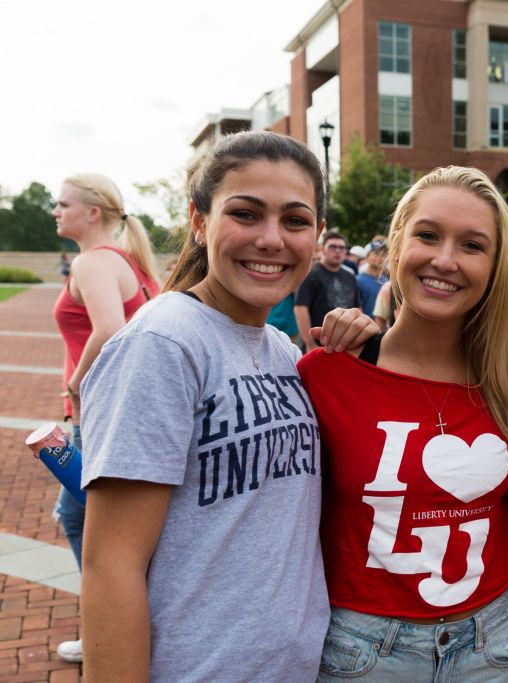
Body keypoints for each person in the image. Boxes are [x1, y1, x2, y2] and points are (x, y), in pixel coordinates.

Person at [78, 131, 332, 682]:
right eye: (246, 214)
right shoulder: (164, 342)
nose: (271, 239)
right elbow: (111, 565)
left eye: (295, 221)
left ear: (317, 234)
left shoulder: (284, 351)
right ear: (199, 220)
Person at [297, 166, 508, 681]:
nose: (444, 260)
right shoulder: (327, 373)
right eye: (428, 235)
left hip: (492, 642)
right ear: (397, 244)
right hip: (361, 646)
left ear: (494, 267)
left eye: (472, 245)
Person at [50, 173, 161, 663]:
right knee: (97, 518)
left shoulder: (92, 262)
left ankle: (108, 628)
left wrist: (77, 384)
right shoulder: (131, 262)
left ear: (93, 213)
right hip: (124, 407)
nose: (55, 211)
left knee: (80, 519)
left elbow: (110, 328)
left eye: (62, 203)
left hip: (99, 410)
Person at [295, 230, 361, 350]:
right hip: (318, 345)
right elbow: (300, 309)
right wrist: (310, 344)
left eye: (341, 248)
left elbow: (357, 308)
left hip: (345, 345)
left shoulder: (350, 275)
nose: (337, 251)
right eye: (332, 247)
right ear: (322, 249)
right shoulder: (311, 274)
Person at [356, 238, 388, 316]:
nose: (380, 258)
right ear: (366, 257)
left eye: (384, 254)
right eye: (376, 253)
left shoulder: (386, 282)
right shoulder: (357, 280)